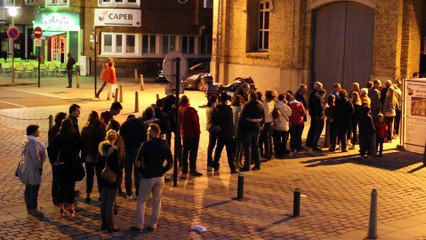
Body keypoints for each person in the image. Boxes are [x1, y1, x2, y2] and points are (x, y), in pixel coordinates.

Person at [130, 123, 173, 233]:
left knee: (141, 201)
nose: (147, 133)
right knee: (157, 201)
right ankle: (153, 224)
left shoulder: (146, 144)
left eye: (149, 131)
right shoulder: (165, 144)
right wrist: (163, 170)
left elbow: (138, 161)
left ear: (154, 132)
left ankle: (139, 225)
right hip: (159, 176)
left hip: (148, 175)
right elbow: (171, 162)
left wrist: (141, 171)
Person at [48, 118, 83, 217]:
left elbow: (50, 148)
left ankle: (62, 208)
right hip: (73, 163)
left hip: (62, 163)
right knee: (71, 186)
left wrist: (53, 160)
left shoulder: (59, 136)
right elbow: (83, 147)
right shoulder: (75, 135)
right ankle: (72, 208)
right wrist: (81, 159)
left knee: (62, 186)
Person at [98, 130, 122, 233]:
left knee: (104, 202)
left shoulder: (101, 149)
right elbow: (116, 167)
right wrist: (119, 177)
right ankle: (110, 226)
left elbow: (98, 165)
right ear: (115, 138)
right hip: (112, 178)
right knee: (110, 203)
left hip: (103, 178)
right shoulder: (114, 151)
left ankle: (103, 223)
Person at [120, 113, 147, 200]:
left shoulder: (124, 125)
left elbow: (121, 139)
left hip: (127, 151)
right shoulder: (140, 123)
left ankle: (129, 193)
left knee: (127, 173)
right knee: (137, 173)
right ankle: (138, 192)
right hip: (138, 150)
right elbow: (145, 137)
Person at [21, 125, 47, 215]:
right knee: (34, 188)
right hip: (33, 168)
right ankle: (33, 208)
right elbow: (35, 157)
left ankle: (29, 207)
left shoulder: (27, 140)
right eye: (37, 130)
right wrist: (40, 166)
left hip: (27, 167)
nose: (39, 132)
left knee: (28, 187)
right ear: (33, 132)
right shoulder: (33, 142)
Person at [81, 111, 106, 203]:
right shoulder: (101, 127)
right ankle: (101, 194)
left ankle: (88, 195)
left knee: (89, 175)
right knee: (100, 175)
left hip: (88, 154)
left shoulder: (85, 128)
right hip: (99, 154)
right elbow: (104, 140)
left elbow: (82, 142)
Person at [211, 92, 238, 173]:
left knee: (218, 150)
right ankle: (232, 168)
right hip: (228, 133)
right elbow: (229, 122)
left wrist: (217, 127)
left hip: (220, 133)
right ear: (226, 99)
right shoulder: (228, 109)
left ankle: (215, 166)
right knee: (229, 152)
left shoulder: (216, 108)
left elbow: (213, 119)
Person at [239, 92, 264, 171]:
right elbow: (263, 117)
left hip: (248, 128)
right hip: (257, 128)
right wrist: (260, 124)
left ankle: (247, 165)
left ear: (250, 97)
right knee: (256, 146)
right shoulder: (260, 105)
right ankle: (257, 164)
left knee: (247, 148)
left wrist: (242, 124)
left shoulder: (247, 105)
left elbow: (242, 117)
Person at [179, 95, 203, 176]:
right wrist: (198, 132)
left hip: (184, 133)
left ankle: (184, 168)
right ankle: (192, 169)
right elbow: (195, 122)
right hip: (193, 134)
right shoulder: (190, 110)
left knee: (185, 151)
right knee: (193, 152)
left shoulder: (180, 109)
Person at [47, 112, 67, 206]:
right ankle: (58, 198)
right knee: (59, 179)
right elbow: (54, 146)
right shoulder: (59, 130)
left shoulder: (52, 129)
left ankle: (56, 198)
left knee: (56, 179)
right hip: (58, 159)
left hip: (54, 159)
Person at [273, 93, 292, 158]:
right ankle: (283, 151)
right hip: (284, 124)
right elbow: (290, 113)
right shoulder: (285, 106)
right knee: (284, 139)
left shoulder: (275, 105)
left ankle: (277, 152)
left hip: (277, 123)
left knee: (277, 139)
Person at [259, 90, 275, 160]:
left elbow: (263, 114)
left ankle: (265, 154)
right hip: (271, 122)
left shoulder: (264, 104)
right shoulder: (272, 102)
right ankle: (270, 154)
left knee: (264, 140)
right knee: (269, 139)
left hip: (266, 123)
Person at [306, 81, 323, 148]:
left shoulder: (314, 93)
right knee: (314, 128)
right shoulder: (314, 94)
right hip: (315, 114)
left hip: (313, 113)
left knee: (313, 128)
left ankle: (311, 142)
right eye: (320, 87)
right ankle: (311, 142)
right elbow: (315, 106)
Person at [206, 94, 218, 171]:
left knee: (211, 145)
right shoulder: (214, 108)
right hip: (214, 128)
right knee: (212, 145)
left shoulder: (208, 107)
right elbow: (215, 119)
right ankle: (211, 162)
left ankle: (210, 161)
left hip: (209, 127)